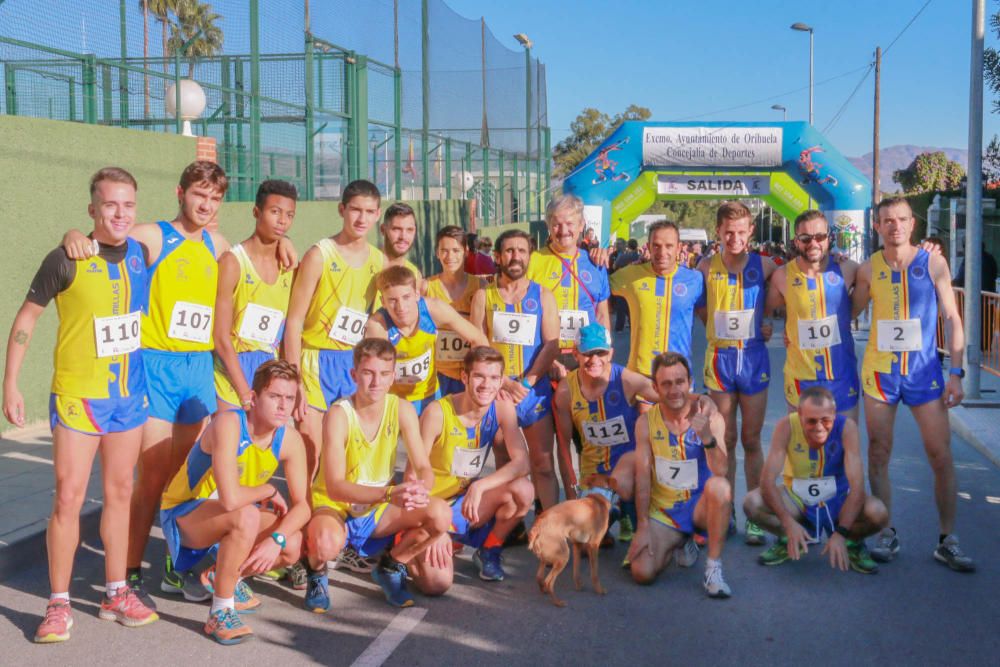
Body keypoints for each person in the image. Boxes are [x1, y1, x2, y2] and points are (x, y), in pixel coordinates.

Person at [3, 167, 157, 642]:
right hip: (77, 397)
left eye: (128, 204)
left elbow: (194, 227)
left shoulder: (143, 251)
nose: (120, 213)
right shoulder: (65, 258)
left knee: (118, 494)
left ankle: (115, 592)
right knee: (68, 498)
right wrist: (11, 383)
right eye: (109, 204)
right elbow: (26, 316)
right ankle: (58, 603)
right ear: (92, 209)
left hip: (129, 397)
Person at [852, 197, 974, 572]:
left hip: (924, 374)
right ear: (877, 226)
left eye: (902, 219)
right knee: (878, 453)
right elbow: (848, 313)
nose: (895, 226)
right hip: (880, 374)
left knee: (940, 454)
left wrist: (956, 372)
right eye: (887, 220)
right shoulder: (868, 268)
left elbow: (953, 319)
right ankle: (886, 531)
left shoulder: (933, 262)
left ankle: (947, 540)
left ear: (912, 224)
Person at [159, 360, 310, 644]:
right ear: (253, 398)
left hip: (233, 515)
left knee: (292, 543)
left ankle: (223, 575)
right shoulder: (229, 423)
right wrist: (267, 490)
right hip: (184, 514)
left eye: (289, 398)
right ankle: (221, 611)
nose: (283, 406)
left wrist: (275, 539)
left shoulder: (290, 440)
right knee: (246, 516)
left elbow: (303, 507)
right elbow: (229, 499)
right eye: (274, 396)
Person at [304, 338, 451, 610]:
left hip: (379, 508)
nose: (376, 382)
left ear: (393, 376)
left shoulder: (401, 408)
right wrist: (389, 493)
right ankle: (317, 572)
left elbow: (422, 466)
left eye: (384, 374)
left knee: (440, 515)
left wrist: (421, 490)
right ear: (354, 375)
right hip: (337, 505)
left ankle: (391, 565)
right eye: (368, 373)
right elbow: (335, 486)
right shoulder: (339, 414)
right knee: (325, 544)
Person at [284, 179, 383, 481]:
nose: (361, 218)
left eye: (369, 211)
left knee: (347, 453)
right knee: (310, 451)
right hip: (315, 362)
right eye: (355, 210)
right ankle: (304, 519)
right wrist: (294, 377)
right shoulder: (320, 255)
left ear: (378, 214)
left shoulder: (379, 261)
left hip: (352, 365)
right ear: (342, 209)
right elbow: (294, 320)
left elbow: (375, 323)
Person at [415, 346, 534, 588]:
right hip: (430, 508)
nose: (486, 385)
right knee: (436, 583)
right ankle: (402, 543)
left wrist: (481, 486)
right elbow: (413, 476)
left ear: (501, 381)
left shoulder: (501, 408)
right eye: (479, 376)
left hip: (465, 502)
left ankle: (489, 549)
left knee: (523, 490)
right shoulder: (437, 413)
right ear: (464, 378)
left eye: (493, 378)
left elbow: (523, 462)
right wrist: (434, 525)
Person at [697, 202, 776, 545]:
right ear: (718, 231)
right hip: (720, 360)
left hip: (754, 359)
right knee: (724, 440)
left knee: (751, 440)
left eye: (741, 232)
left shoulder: (768, 265)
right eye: (728, 231)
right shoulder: (704, 266)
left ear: (750, 233)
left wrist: (769, 319)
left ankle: (755, 514)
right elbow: (699, 307)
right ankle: (726, 511)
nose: (735, 238)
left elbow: (806, 273)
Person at [744, 387, 886, 574]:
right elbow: (767, 481)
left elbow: (857, 488)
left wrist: (841, 534)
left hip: (838, 499)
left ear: (834, 414)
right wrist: (787, 522)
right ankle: (790, 538)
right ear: (799, 414)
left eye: (825, 420)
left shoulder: (847, 428)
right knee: (752, 503)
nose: (819, 427)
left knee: (878, 512)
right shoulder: (786, 426)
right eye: (811, 421)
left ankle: (853, 543)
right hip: (798, 499)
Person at [627, 352, 733, 598]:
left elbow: (722, 471)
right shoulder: (645, 423)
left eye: (679, 382)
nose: (674, 389)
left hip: (701, 507)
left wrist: (707, 437)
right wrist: (642, 526)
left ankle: (713, 568)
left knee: (720, 487)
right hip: (665, 510)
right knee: (642, 572)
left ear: (690, 383)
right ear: (655, 388)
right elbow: (642, 478)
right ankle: (683, 541)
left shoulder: (711, 417)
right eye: (666, 383)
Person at [470, 230, 561, 509]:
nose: (515, 257)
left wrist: (529, 381)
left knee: (543, 462)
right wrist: (505, 383)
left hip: (532, 392)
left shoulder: (543, 295)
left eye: (522, 251)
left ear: (529, 256)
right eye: (509, 251)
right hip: (498, 393)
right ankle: (513, 524)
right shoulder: (483, 296)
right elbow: (477, 344)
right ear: (497, 256)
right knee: (506, 464)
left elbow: (551, 345)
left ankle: (549, 525)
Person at [766, 210, 861, 421]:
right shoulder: (781, 276)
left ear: (829, 237)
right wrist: (775, 327)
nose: (813, 243)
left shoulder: (849, 269)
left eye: (820, 237)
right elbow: (767, 313)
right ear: (796, 241)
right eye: (806, 238)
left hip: (841, 374)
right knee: (802, 450)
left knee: (844, 447)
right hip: (801, 377)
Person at [212, 180, 297, 414]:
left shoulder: (289, 266)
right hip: (231, 375)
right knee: (231, 447)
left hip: (270, 375)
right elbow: (220, 337)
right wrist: (243, 391)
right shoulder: (232, 262)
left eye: (289, 215)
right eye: (275, 212)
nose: (282, 221)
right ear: (256, 212)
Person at [365, 265, 487, 415]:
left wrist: (479, 381)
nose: (401, 307)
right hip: (394, 403)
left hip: (430, 398)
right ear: (382, 302)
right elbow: (372, 377)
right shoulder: (378, 327)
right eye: (392, 300)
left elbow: (478, 338)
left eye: (406, 297)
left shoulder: (433, 309)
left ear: (417, 294)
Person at [526, 194, 611, 378]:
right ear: (548, 226)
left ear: (581, 225)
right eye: (556, 224)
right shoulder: (533, 261)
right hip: (543, 356)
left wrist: (604, 356)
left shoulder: (595, 262)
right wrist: (548, 361)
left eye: (570, 223)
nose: (563, 231)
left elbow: (602, 314)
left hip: (586, 356)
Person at [610, 221, 705, 380]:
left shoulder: (694, 279)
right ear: (648, 246)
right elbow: (597, 290)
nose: (662, 252)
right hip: (641, 374)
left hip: (679, 375)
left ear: (678, 247)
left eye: (669, 246)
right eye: (656, 245)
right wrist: (596, 257)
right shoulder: (631, 274)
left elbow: (710, 322)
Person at [426, 226, 483, 396]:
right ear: (437, 252)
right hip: (436, 375)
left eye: (456, 250)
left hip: (469, 374)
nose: (450, 257)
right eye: (444, 250)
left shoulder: (481, 288)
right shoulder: (425, 287)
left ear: (466, 252)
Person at [380, 202, 424, 291]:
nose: (403, 237)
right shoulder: (367, 261)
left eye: (409, 230)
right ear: (383, 230)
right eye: (396, 229)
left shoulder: (415, 275)